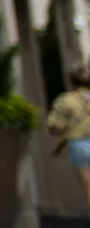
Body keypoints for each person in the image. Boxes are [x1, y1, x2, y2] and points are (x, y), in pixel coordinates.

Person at [48, 68, 90, 206]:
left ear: (71, 81)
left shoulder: (65, 100)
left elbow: (54, 125)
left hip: (79, 144)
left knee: (88, 188)